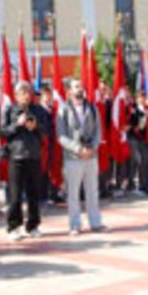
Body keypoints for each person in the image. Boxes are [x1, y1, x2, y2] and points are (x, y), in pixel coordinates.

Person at [57, 80, 106, 235]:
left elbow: (99, 131)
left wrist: (93, 147)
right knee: (73, 193)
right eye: (76, 86)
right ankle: (75, 224)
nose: (79, 89)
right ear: (69, 91)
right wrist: (78, 149)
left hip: (91, 156)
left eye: (81, 86)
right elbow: (61, 135)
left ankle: (95, 222)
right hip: (73, 157)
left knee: (92, 191)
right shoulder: (63, 109)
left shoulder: (92, 108)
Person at [0, 81, 45, 241]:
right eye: (22, 93)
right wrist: (17, 125)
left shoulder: (38, 110)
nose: (26, 96)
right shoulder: (10, 110)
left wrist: (36, 126)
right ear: (16, 95)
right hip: (16, 156)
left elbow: (47, 129)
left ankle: (33, 225)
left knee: (33, 194)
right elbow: (2, 131)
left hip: (33, 156)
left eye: (28, 92)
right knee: (15, 195)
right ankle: (13, 226)